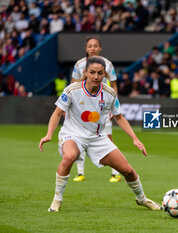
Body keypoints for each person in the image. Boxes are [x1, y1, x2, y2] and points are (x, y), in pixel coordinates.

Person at [39, 56, 162, 212]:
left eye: (100, 73)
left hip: (97, 138)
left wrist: (135, 139)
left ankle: (142, 199)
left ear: (105, 74)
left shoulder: (110, 93)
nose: (96, 77)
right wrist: (49, 134)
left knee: (128, 171)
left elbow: (119, 117)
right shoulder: (72, 90)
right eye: (92, 72)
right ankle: (57, 200)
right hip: (73, 134)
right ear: (85, 72)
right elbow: (57, 113)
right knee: (69, 156)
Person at [71, 36, 122, 182]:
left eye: (95, 46)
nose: (93, 48)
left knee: (108, 137)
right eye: (90, 46)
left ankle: (115, 173)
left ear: (100, 48)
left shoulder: (108, 64)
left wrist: (114, 106)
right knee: (78, 137)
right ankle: (80, 172)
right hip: (82, 107)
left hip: (102, 107)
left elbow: (114, 86)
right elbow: (73, 85)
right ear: (86, 49)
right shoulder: (80, 64)